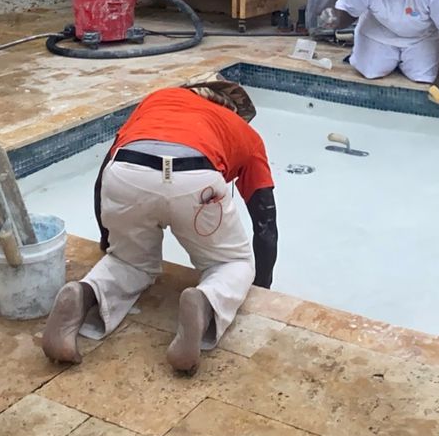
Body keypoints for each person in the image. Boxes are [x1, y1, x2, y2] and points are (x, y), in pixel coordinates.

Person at [42, 81, 273, 374]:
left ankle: (82, 294)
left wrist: (108, 238)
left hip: (127, 172)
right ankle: (205, 300)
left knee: (128, 262)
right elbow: (265, 220)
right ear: (234, 111)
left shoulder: (160, 99)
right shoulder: (245, 133)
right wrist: (261, 287)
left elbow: (104, 172)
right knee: (232, 262)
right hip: (195, 177)